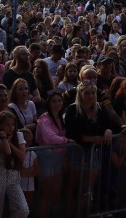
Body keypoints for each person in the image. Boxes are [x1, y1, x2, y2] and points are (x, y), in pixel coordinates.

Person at [64, 82, 114, 214]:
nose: (90, 96)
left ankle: (82, 212)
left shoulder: (100, 107)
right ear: (80, 94)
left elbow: (107, 124)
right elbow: (70, 133)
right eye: (86, 93)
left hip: (94, 153)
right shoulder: (72, 109)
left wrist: (108, 130)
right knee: (72, 186)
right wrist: (92, 139)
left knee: (87, 188)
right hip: (76, 152)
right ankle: (69, 212)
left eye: (92, 93)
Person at [35, 91, 72, 218]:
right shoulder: (43, 119)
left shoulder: (63, 117)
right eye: (54, 101)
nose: (57, 104)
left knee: (56, 192)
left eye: (59, 101)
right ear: (49, 103)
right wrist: (67, 141)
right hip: (46, 158)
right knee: (46, 193)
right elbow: (50, 138)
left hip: (60, 158)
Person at [0, 111, 29, 218]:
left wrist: (10, 142)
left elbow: (22, 155)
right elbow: (7, 152)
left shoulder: (19, 135)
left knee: (23, 209)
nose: (11, 128)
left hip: (14, 174)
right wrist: (4, 139)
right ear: (0, 125)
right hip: (1, 173)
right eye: (8, 125)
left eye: (13, 124)